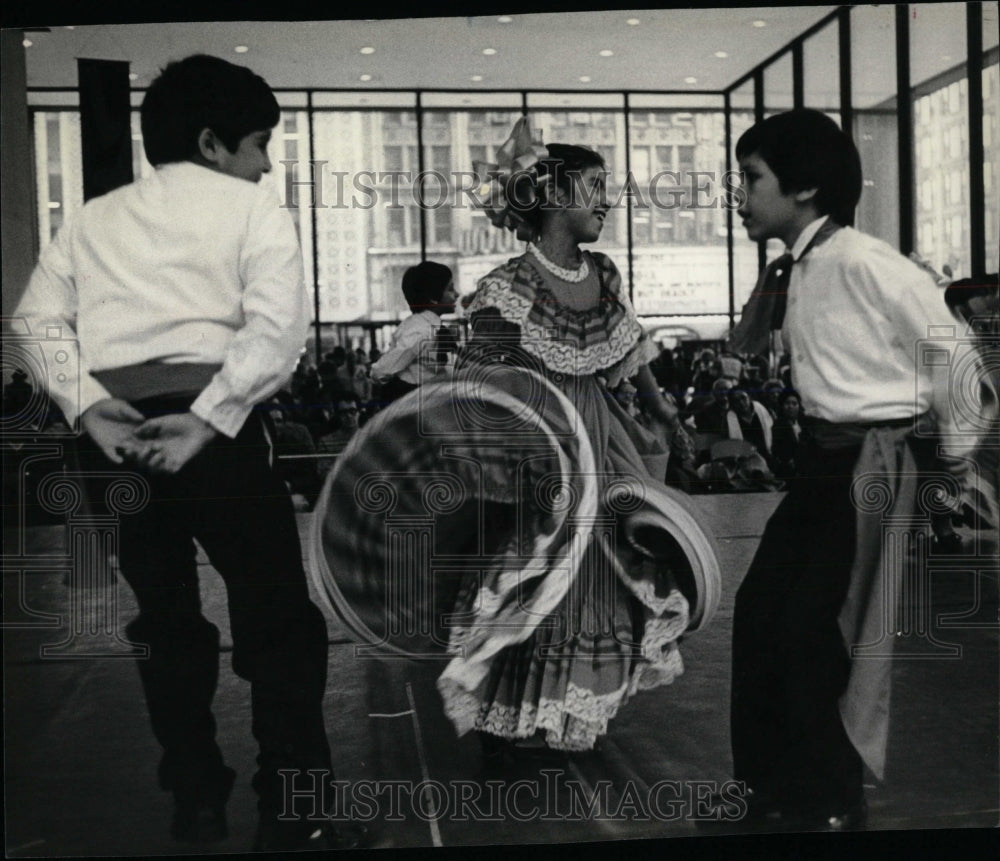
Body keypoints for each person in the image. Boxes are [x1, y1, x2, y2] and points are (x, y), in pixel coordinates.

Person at [14, 54, 364, 852]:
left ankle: (197, 802)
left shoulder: (95, 219)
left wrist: (88, 407)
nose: (266, 162)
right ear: (213, 144)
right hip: (218, 439)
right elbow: (277, 333)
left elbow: (35, 322)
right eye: (259, 143)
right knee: (279, 624)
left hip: (117, 442)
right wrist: (209, 417)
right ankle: (297, 808)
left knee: (166, 625)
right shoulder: (256, 213)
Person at [721, 109, 971, 832]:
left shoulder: (864, 260)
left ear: (802, 188)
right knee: (762, 613)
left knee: (814, 630)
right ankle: (765, 787)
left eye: (751, 178)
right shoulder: (799, 266)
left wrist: (949, 464)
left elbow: (953, 355)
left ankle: (830, 797)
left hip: (866, 466)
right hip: (819, 465)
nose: (739, 193)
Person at [443, 118, 700, 753]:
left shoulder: (603, 273)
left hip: (601, 443)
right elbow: (481, 379)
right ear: (554, 197)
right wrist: (519, 442)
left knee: (599, 570)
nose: (607, 200)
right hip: (542, 451)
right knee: (537, 571)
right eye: (594, 187)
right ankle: (515, 706)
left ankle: (557, 710)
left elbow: (632, 355)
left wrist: (664, 414)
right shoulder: (509, 286)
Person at [370, 261, 457, 404]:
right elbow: (380, 372)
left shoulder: (428, 326)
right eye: (450, 289)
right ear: (433, 298)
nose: (457, 294)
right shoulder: (420, 330)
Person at [770, 388, 804, 479]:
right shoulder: (778, 426)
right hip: (788, 470)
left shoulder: (804, 424)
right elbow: (780, 451)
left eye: (794, 404)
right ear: (782, 406)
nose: (790, 407)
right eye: (787, 403)